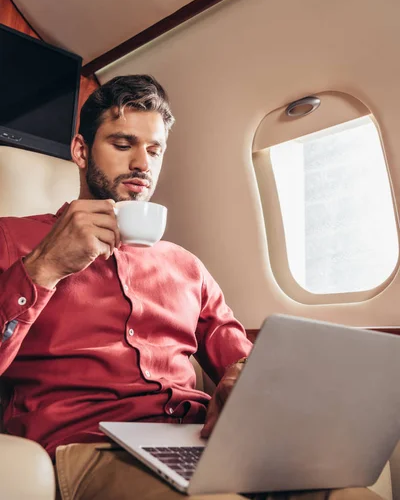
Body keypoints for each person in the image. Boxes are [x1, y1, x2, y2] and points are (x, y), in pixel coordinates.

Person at [0, 75, 382, 500]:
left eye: (155, 149)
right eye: (123, 144)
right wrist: (45, 267)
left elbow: (243, 361)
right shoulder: (13, 241)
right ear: (81, 150)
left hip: (201, 444)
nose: (142, 164)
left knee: (352, 494)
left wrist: (247, 383)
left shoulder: (187, 266)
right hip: (90, 448)